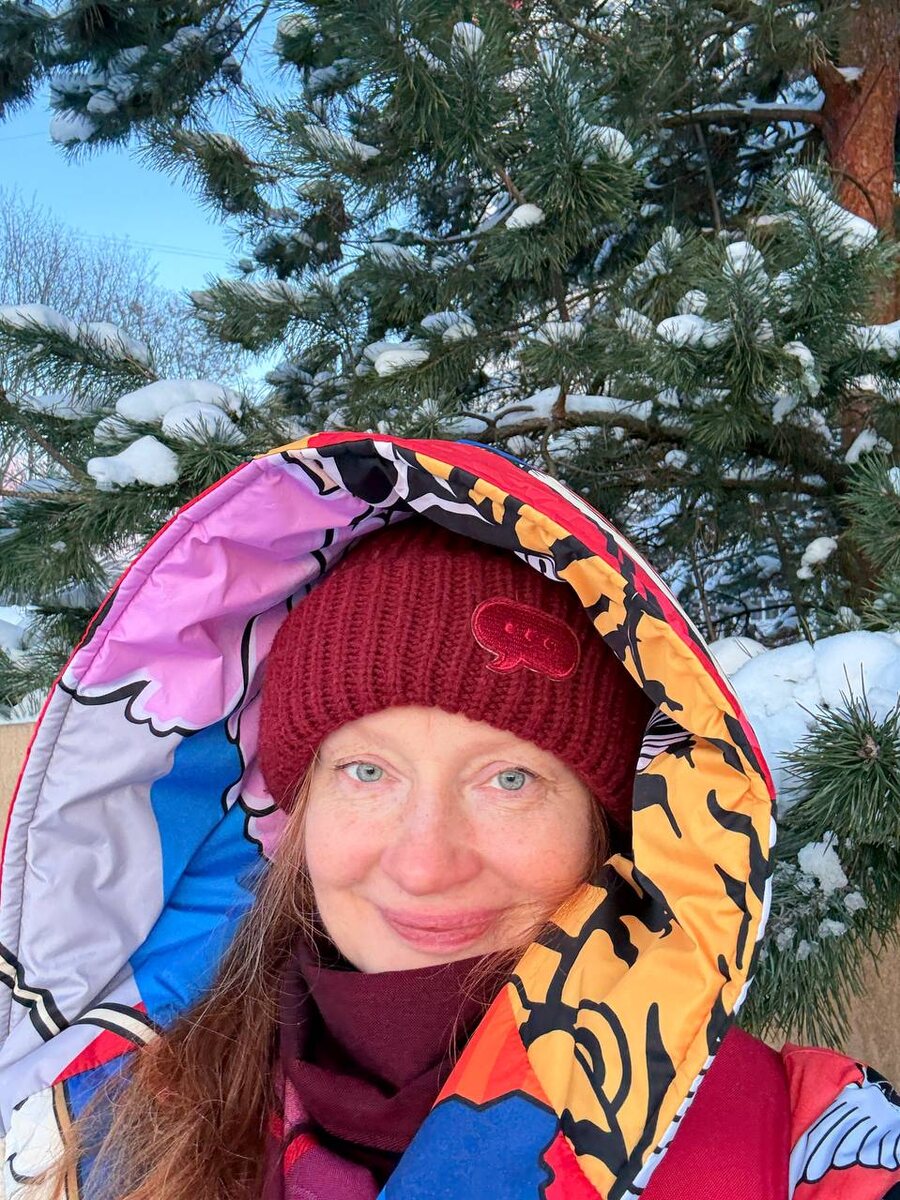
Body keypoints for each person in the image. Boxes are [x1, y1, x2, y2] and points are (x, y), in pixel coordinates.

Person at [0, 432, 897, 1200]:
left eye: (510, 779)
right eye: (366, 771)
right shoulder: (85, 1128)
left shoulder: (807, 1144)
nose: (424, 862)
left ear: (607, 824)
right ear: (295, 811)